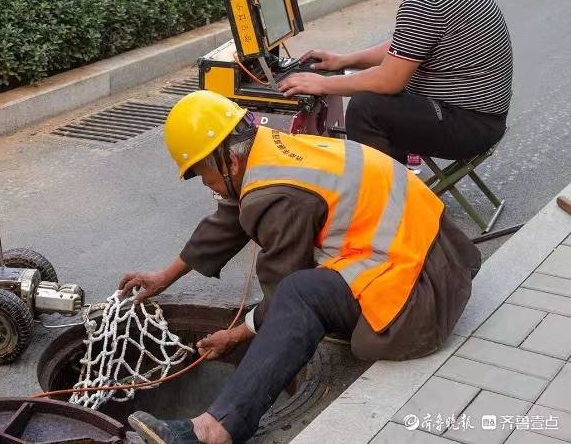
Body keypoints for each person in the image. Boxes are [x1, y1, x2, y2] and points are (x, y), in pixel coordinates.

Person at [119, 90, 481, 444]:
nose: (206, 184)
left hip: (421, 298)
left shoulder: (275, 195)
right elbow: (231, 216)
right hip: (441, 258)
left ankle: (214, 430)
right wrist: (165, 276)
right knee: (304, 289)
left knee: (299, 293)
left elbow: (282, 293)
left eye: (201, 173)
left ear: (228, 161)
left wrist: (238, 332)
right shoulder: (267, 148)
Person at [278, 0, 512, 165]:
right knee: (373, 95)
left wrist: (322, 84)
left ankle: (386, 197)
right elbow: (405, 48)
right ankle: (399, 181)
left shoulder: (425, 1)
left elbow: (389, 80)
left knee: (365, 108)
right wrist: (342, 62)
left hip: (470, 124)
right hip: (481, 115)